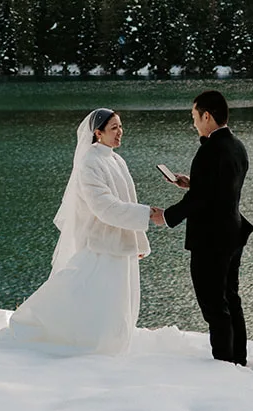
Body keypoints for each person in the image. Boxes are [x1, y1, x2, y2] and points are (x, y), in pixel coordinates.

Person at [10, 108, 163, 355]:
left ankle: (112, 348)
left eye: (121, 127)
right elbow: (104, 207)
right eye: (114, 128)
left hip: (120, 245)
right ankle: (61, 335)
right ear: (97, 133)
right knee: (85, 292)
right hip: (100, 244)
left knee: (119, 302)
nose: (120, 132)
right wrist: (146, 214)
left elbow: (126, 199)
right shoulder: (89, 163)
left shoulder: (116, 159)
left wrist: (138, 242)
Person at [156, 89, 253, 366]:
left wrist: (165, 216)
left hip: (211, 240)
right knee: (230, 299)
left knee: (214, 306)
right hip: (233, 233)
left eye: (195, 117)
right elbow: (219, 188)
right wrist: (193, 181)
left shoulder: (209, 151)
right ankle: (239, 361)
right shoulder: (237, 145)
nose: (194, 123)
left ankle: (224, 364)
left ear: (207, 116)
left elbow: (199, 200)